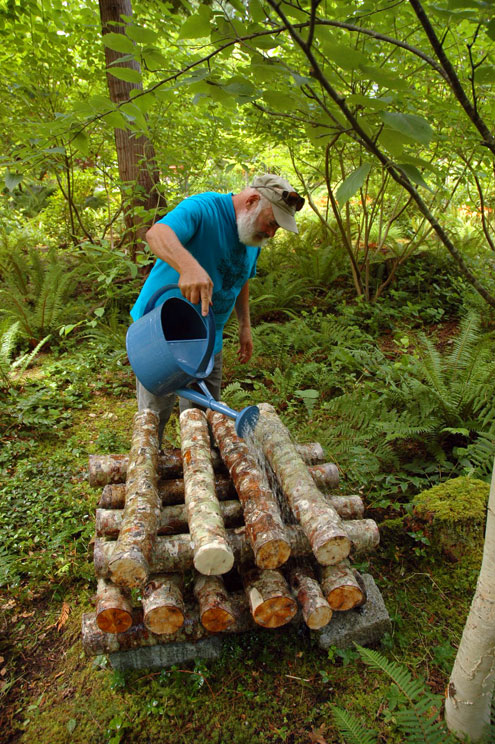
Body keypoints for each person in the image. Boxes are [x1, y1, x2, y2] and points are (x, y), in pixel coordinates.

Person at [130, 173, 305, 445]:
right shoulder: (204, 208)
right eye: (271, 223)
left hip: (209, 342)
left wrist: (245, 326)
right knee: (153, 420)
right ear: (252, 200)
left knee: (205, 419)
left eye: (277, 229)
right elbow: (157, 234)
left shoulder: (252, 238)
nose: (271, 233)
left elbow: (242, 278)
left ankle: (198, 473)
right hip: (161, 337)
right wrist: (188, 267)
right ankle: (151, 474)